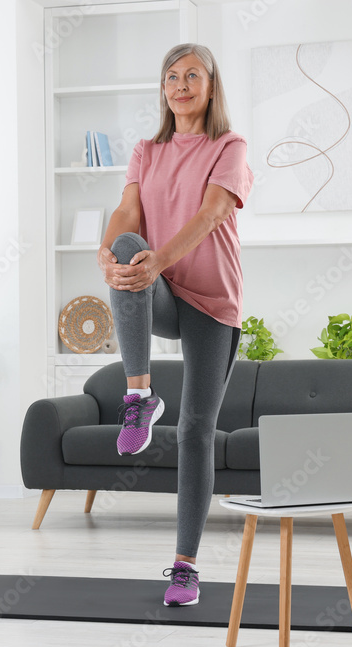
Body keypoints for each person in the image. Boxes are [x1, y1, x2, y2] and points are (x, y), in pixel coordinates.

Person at [97, 43, 253, 607]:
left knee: (194, 432)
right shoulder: (146, 150)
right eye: (171, 76)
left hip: (211, 299)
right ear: (162, 89)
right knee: (127, 243)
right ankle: (138, 395)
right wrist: (105, 253)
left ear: (210, 86)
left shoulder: (228, 146)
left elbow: (213, 213)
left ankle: (185, 567)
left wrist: (158, 261)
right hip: (160, 289)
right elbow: (127, 214)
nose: (180, 84)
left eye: (192, 75)